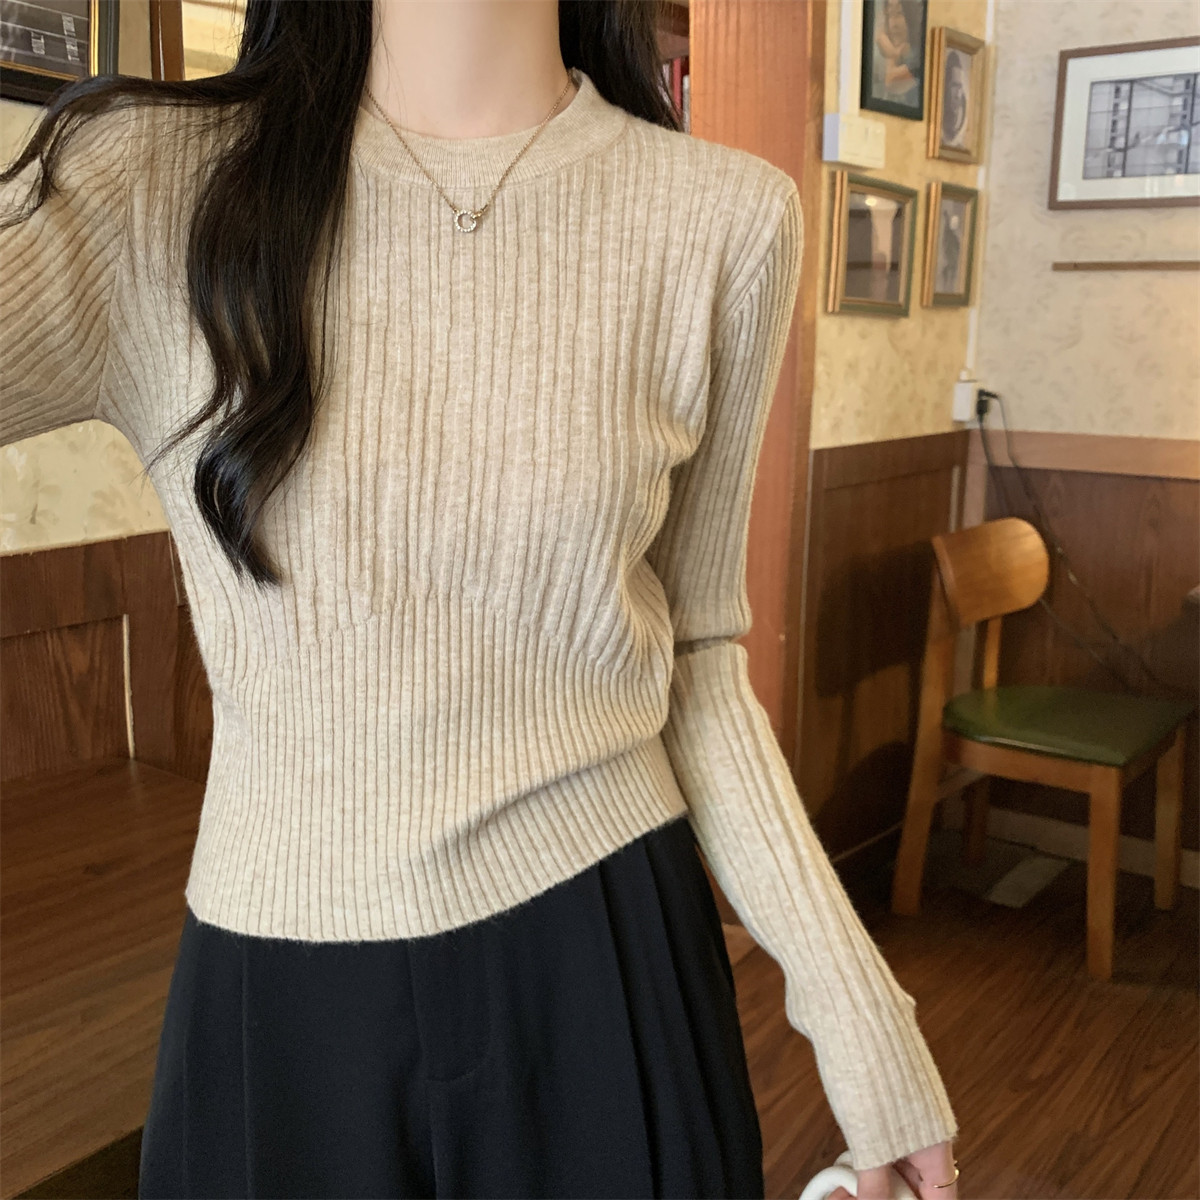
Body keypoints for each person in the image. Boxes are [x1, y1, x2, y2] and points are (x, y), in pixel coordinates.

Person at [0, 2, 960, 1197]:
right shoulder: (151, 188)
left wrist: (863, 1022)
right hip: (277, 1000)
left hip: (609, 959)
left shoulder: (723, 217)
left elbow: (699, 661)